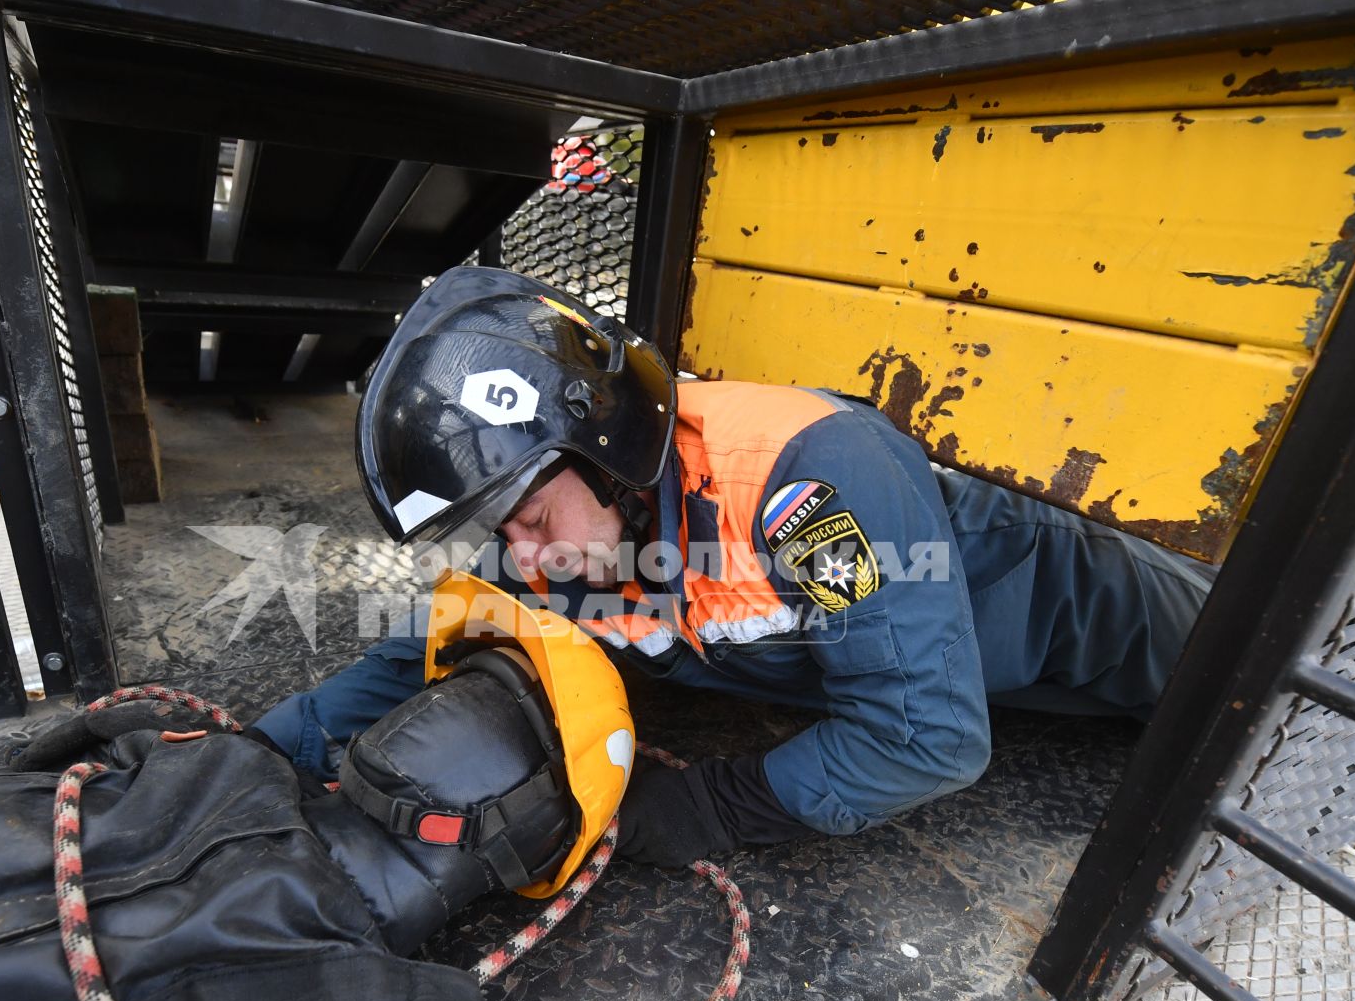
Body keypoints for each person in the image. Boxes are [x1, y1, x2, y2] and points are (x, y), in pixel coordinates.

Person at [255, 266, 1214, 867]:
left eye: (534, 521)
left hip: (1116, 628)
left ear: (607, 458)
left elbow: (927, 741)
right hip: (977, 679)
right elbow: (433, 642)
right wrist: (268, 748)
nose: (524, 559)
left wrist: (712, 805)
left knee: (1242, 717)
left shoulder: (805, 487)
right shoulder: (559, 533)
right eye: (500, 536)